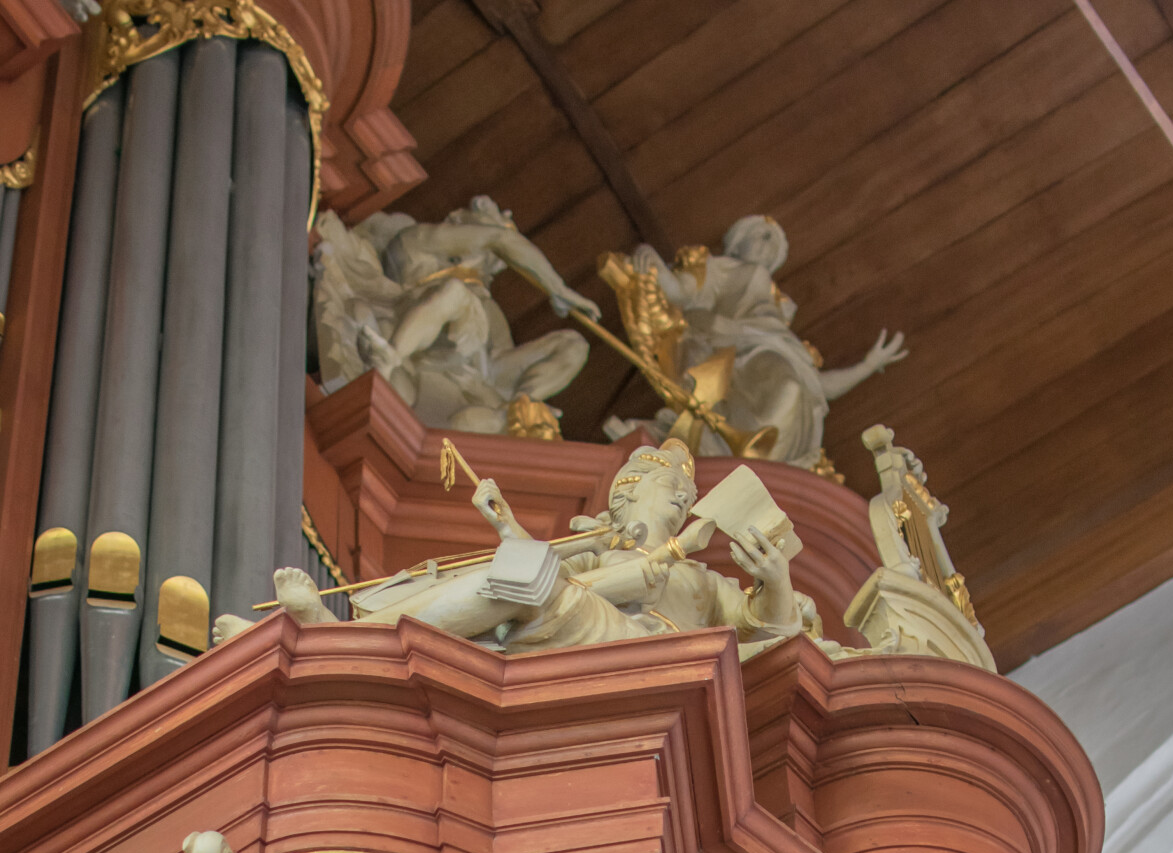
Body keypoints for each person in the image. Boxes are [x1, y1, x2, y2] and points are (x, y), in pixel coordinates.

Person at [222, 440, 812, 661]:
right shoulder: (596, 545)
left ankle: (337, 642)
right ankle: (340, 639)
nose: (681, 495)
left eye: (682, 491)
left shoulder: (702, 581)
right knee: (524, 575)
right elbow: (537, 569)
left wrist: (776, 579)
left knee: (539, 580)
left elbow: (768, 631)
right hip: (574, 630)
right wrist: (506, 526)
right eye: (663, 483)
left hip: (647, 656)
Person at [606, 215, 906, 470]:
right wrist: (648, 254)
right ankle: (730, 453)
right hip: (726, 355)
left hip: (764, 351)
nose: (769, 243)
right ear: (738, 242)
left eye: (774, 244)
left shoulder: (779, 325)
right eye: (763, 235)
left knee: (794, 388)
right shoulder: (717, 269)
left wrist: (868, 366)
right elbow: (678, 293)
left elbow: (818, 386)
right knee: (787, 386)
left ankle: (746, 462)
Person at [311, 196, 599, 435]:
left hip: (472, 365)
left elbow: (495, 363)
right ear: (459, 221)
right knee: (455, 293)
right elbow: (499, 239)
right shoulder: (415, 243)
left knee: (574, 345)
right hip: (416, 329)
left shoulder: (489, 308)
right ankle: (391, 355)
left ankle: (521, 407)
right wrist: (558, 289)